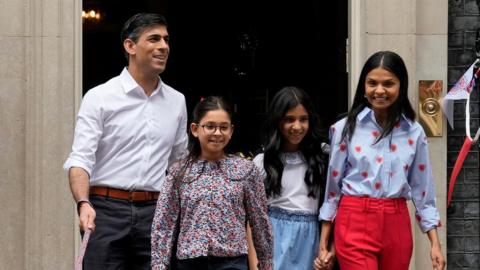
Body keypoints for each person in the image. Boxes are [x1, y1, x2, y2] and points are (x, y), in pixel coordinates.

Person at [63, 13, 188, 269]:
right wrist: (83, 203)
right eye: (153, 39)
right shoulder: (99, 97)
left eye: (166, 39)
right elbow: (81, 158)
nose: (163, 46)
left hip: (157, 211)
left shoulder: (177, 101)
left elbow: (179, 165)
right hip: (105, 211)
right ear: (130, 46)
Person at [315, 51, 445, 270]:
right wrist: (324, 243)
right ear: (363, 87)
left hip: (397, 223)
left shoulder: (415, 133)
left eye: (388, 84)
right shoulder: (344, 129)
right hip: (354, 219)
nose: (379, 90)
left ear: (401, 87)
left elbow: (423, 192)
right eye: (372, 83)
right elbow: (333, 189)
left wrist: (435, 244)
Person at [151, 96, 273, 270]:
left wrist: (266, 263)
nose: (217, 133)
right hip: (190, 262)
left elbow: (260, 221)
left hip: (232, 261)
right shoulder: (179, 172)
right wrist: (159, 265)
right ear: (195, 129)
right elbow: (164, 222)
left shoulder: (246, 170)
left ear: (231, 131)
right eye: (210, 126)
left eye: (223, 127)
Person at [250, 86, 335, 270]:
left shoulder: (323, 157)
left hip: (310, 240)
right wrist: (254, 264)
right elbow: (254, 220)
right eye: (289, 119)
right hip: (273, 239)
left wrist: (329, 251)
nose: (297, 126)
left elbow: (336, 206)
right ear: (277, 121)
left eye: (303, 119)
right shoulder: (263, 162)